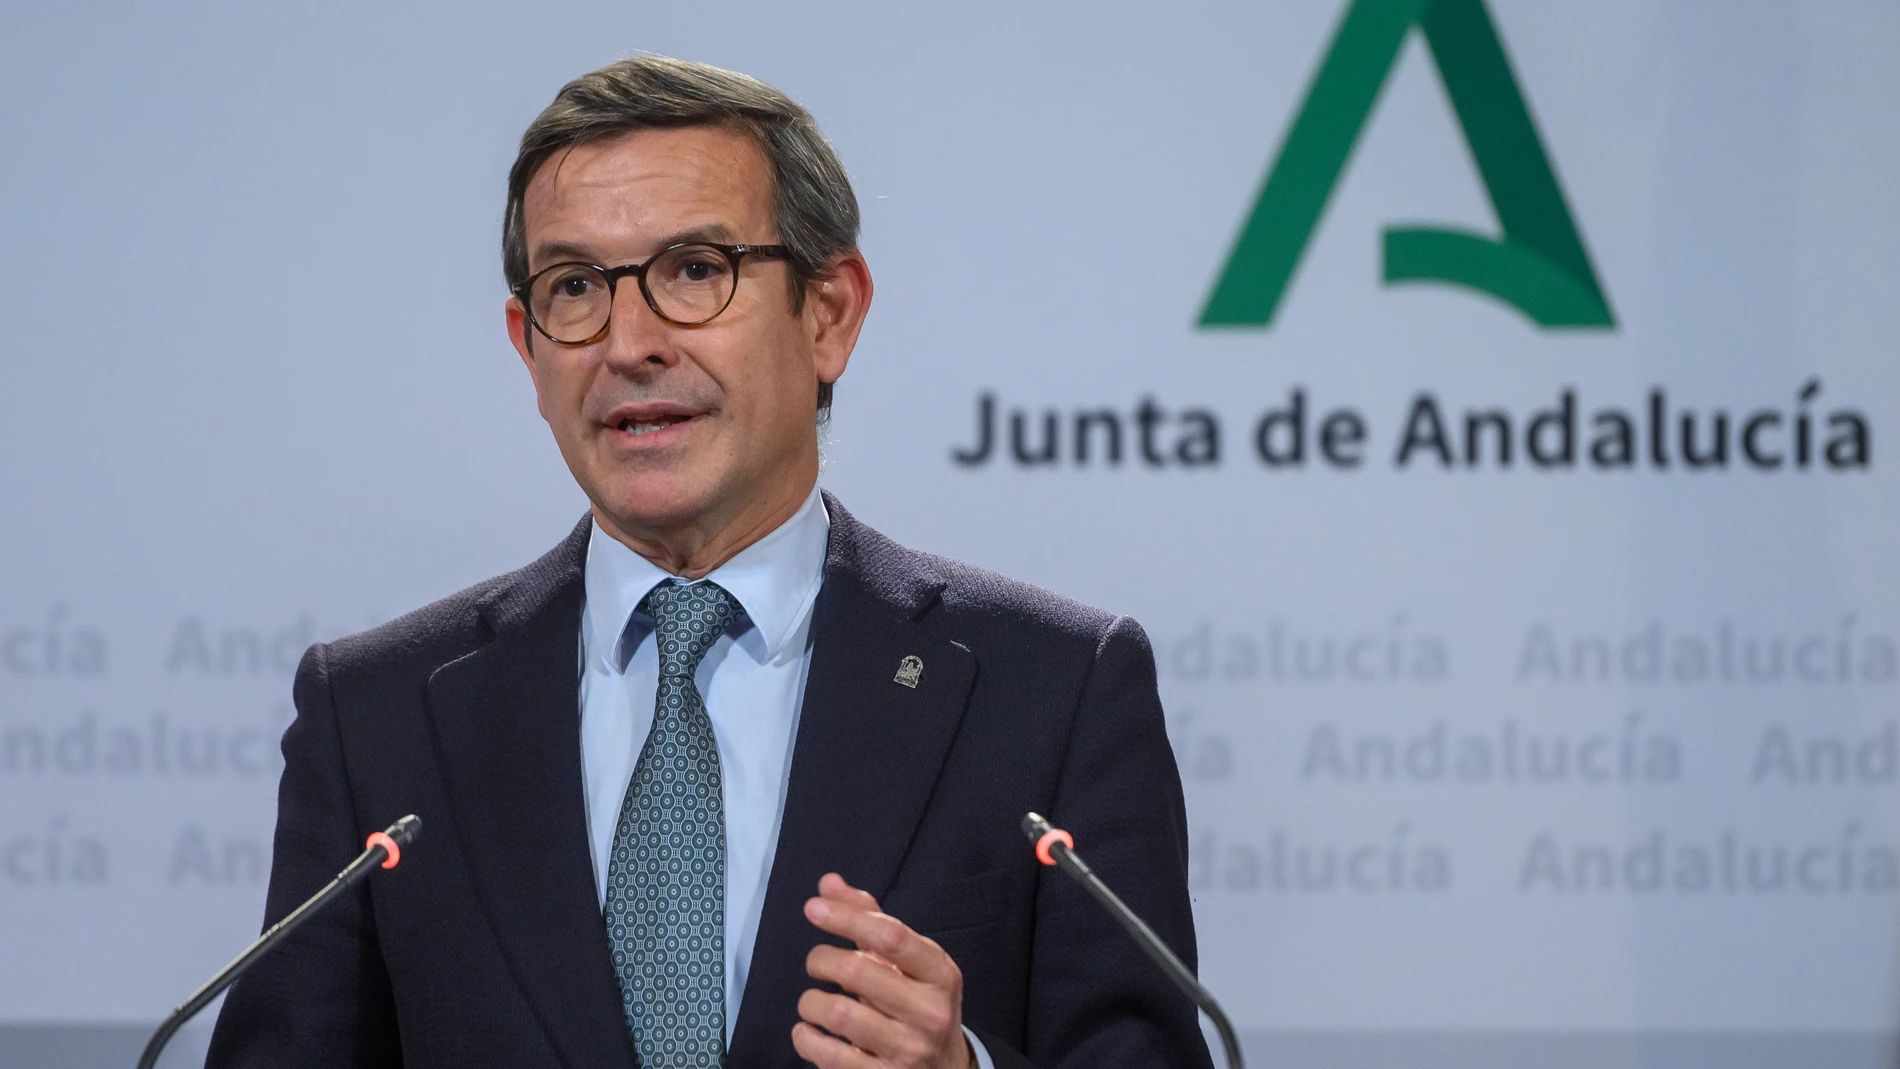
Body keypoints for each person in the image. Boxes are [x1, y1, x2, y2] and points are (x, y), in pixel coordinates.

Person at [207, 55, 1211, 1069]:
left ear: (829, 314)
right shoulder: (377, 715)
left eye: (694, 269)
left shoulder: (1051, 692)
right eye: (575, 287)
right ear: (528, 348)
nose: (629, 342)